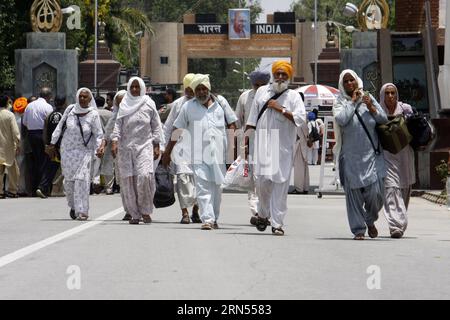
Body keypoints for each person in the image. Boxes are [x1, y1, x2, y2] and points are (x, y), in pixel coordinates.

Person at [162, 74, 238, 230]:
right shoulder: (188, 106)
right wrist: (167, 152)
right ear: (194, 91)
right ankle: (208, 219)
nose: (202, 93)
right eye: (198, 90)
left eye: (204, 89)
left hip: (219, 154)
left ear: (209, 89)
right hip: (198, 154)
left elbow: (232, 124)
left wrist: (232, 149)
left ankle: (214, 217)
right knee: (202, 186)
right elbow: (177, 129)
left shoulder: (221, 103)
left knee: (217, 187)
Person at [245, 61, 306, 236]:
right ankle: (263, 214)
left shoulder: (294, 96)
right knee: (262, 183)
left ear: (289, 77)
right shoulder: (262, 92)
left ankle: (277, 223)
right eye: (277, 74)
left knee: (280, 185)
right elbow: (252, 118)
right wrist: (245, 142)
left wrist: (281, 109)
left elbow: (300, 120)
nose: (280, 77)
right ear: (272, 75)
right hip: (263, 144)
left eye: (283, 74)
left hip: (283, 147)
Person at [333, 69, 388, 240]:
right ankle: (358, 229)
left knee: (377, 195)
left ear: (357, 81)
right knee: (354, 196)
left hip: (371, 155)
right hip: (350, 157)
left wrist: (371, 107)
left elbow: (383, 119)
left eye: (352, 80)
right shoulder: (340, 102)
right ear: (342, 85)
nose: (350, 84)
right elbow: (341, 119)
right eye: (346, 81)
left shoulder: (368, 98)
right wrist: (354, 102)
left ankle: (369, 219)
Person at [111, 77, 163, 225]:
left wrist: (157, 144)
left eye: (137, 87)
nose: (134, 89)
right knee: (128, 180)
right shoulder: (124, 105)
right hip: (125, 148)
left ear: (142, 88)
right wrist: (114, 141)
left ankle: (145, 210)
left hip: (144, 146)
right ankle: (134, 213)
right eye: (132, 87)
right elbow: (118, 124)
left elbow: (156, 125)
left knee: (144, 176)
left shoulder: (149, 103)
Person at [47, 88, 104, 221]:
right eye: (81, 96)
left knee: (82, 180)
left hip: (84, 152)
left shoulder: (93, 114)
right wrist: (52, 143)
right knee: (69, 182)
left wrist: (98, 149)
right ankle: (73, 206)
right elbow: (60, 126)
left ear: (90, 99)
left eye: (85, 97)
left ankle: (82, 210)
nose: (83, 99)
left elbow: (98, 134)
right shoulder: (70, 110)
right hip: (67, 152)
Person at [162, 74, 201, 224]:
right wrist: (164, 148)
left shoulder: (204, 104)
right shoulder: (178, 104)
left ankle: (196, 211)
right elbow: (168, 126)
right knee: (182, 179)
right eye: (187, 89)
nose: (190, 92)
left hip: (200, 148)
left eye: (193, 88)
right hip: (180, 148)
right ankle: (185, 212)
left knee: (199, 180)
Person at [379, 83, 415, 239]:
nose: (390, 96)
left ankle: (400, 220)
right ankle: (395, 225)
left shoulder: (405, 109)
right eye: (387, 93)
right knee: (391, 188)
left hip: (405, 155)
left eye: (393, 93)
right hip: (387, 156)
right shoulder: (378, 112)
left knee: (404, 189)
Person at [235, 70, 271, 225]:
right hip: (249, 144)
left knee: (268, 179)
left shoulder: (273, 96)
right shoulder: (245, 97)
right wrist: (238, 146)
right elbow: (238, 121)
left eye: (262, 85)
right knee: (252, 179)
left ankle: (266, 211)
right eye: (256, 85)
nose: (259, 88)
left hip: (270, 143)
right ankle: (257, 211)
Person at [22, 87, 54, 198]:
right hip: (43, 134)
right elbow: (50, 123)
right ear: (49, 96)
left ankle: (35, 187)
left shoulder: (29, 106)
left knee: (36, 160)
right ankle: (43, 187)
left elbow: (25, 122)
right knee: (45, 160)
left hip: (31, 134)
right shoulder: (48, 106)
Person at [42, 95, 67, 197]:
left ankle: (44, 188)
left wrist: (47, 145)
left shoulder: (50, 115)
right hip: (61, 146)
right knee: (62, 168)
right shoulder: (65, 115)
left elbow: (45, 131)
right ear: (64, 103)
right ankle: (55, 189)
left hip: (51, 146)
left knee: (50, 167)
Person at [0, 95, 21, 198]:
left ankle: (0, 192)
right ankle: (12, 191)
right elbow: (15, 132)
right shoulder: (9, 115)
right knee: (14, 170)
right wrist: (18, 144)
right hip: (8, 147)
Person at [93, 95, 113, 194]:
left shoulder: (93, 113)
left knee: (96, 163)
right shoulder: (110, 113)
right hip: (108, 139)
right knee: (108, 163)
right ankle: (109, 187)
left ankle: (95, 184)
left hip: (97, 140)